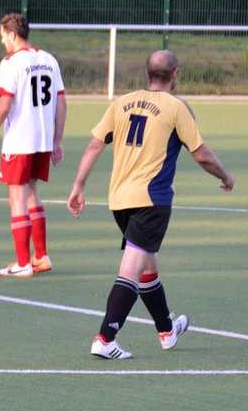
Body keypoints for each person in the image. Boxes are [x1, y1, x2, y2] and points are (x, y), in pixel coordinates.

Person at [67, 50, 235, 359]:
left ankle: (167, 330)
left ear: (147, 74)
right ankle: (105, 338)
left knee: (147, 264)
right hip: (152, 200)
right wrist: (225, 175)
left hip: (119, 200)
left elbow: (94, 144)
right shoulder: (176, 107)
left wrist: (78, 186)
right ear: (175, 74)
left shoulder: (122, 102)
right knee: (132, 267)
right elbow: (201, 154)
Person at [0, 12, 67, 278]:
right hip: (42, 140)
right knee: (31, 193)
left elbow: (5, 104)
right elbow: (61, 102)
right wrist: (58, 139)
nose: (2, 41)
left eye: (3, 36)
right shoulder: (49, 59)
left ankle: (22, 263)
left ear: (13, 35)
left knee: (16, 197)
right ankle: (40, 257)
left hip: (19, 140)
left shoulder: (10, 62)